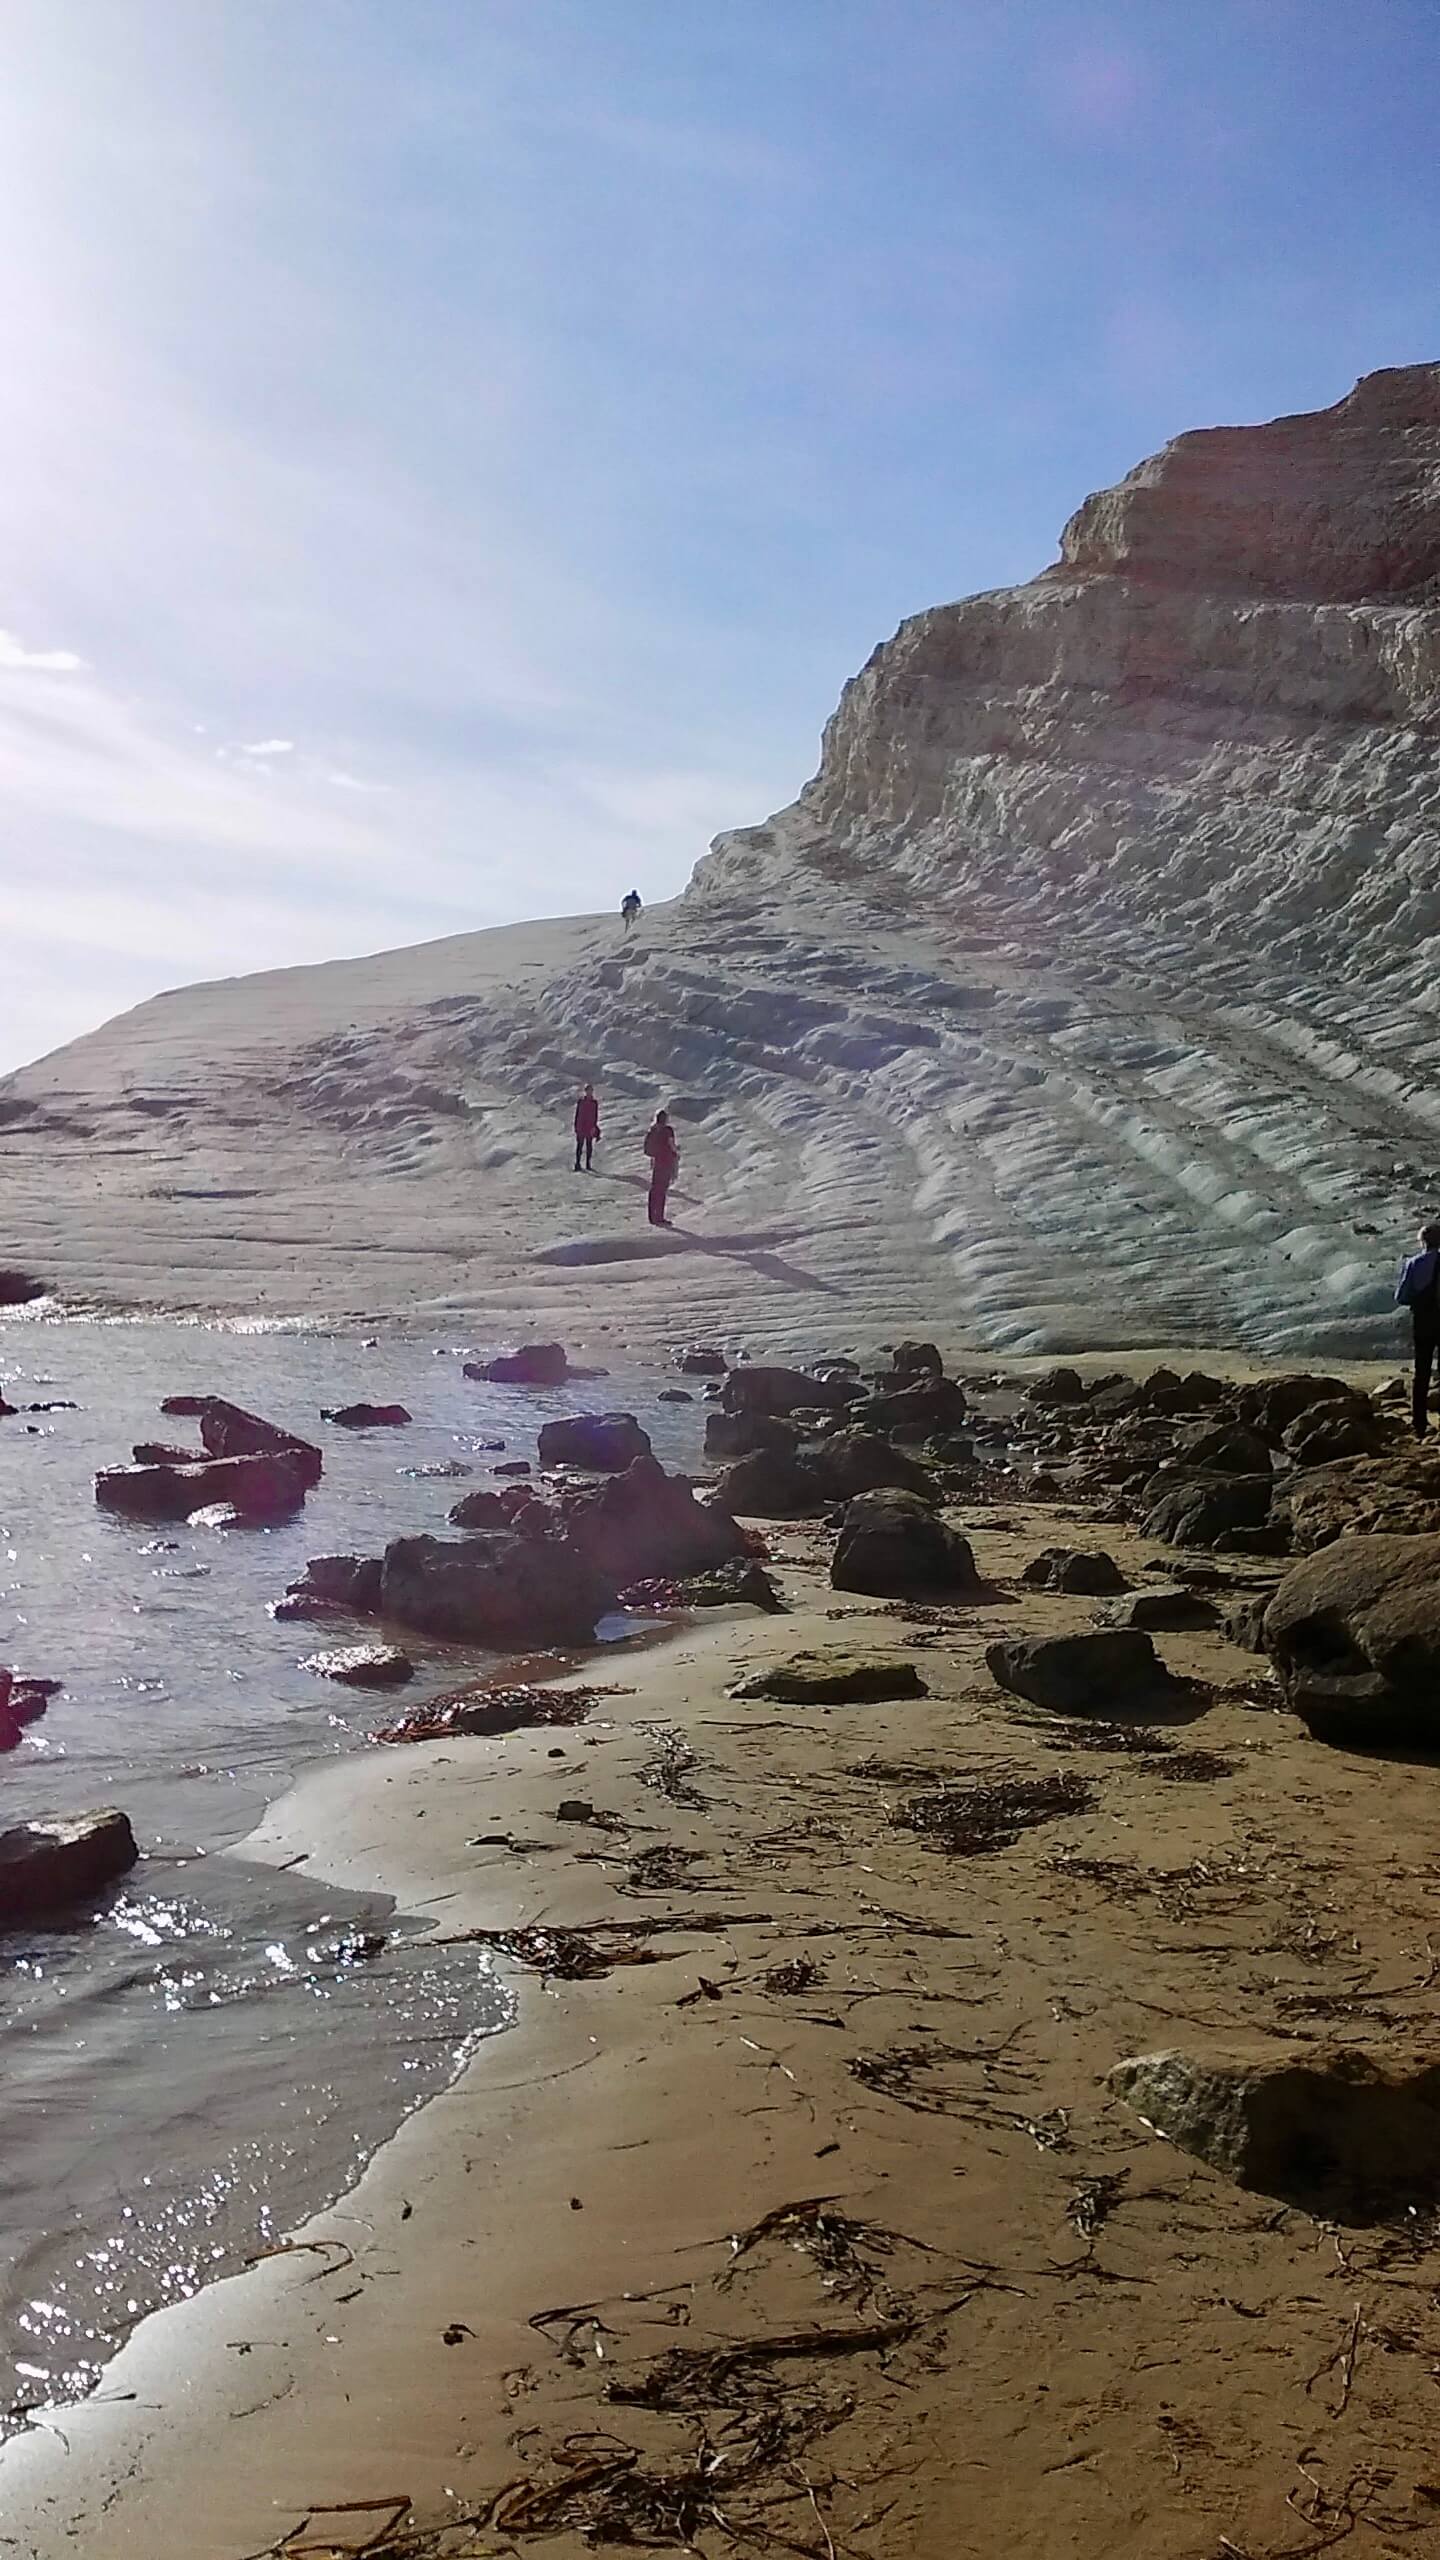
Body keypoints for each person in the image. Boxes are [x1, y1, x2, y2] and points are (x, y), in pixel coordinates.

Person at [1395, 1219, 1440, 1439]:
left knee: (1421, 1372)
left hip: (1423, 1321)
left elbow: (1401, 1297)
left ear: (1423, 1241)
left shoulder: (1413, 1263)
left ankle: (1419, 1424)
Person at [643, 1108, 679, 1227]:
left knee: (654, 1189)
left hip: (656, 1162)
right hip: (666, 1161)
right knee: (662, 1190)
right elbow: (671, 1144)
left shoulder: (653, 1130)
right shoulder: (668, 1130)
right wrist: (676, 1153)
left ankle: (651, 1216)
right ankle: (659, 1216)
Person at [573, 1082, 600, 1172]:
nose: (589, 1092)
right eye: (588, 1090)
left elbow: (595, 1116)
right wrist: (576, 1126)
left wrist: (594, 1127)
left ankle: (588, 1164)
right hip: (581, 1126)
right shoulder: (581, 1102)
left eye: (591, 1091)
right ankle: (577, 1163)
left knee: (589, 1146)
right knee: (579, 1146)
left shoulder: (594, 1103)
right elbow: (577, 1115)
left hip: (589, 1127)